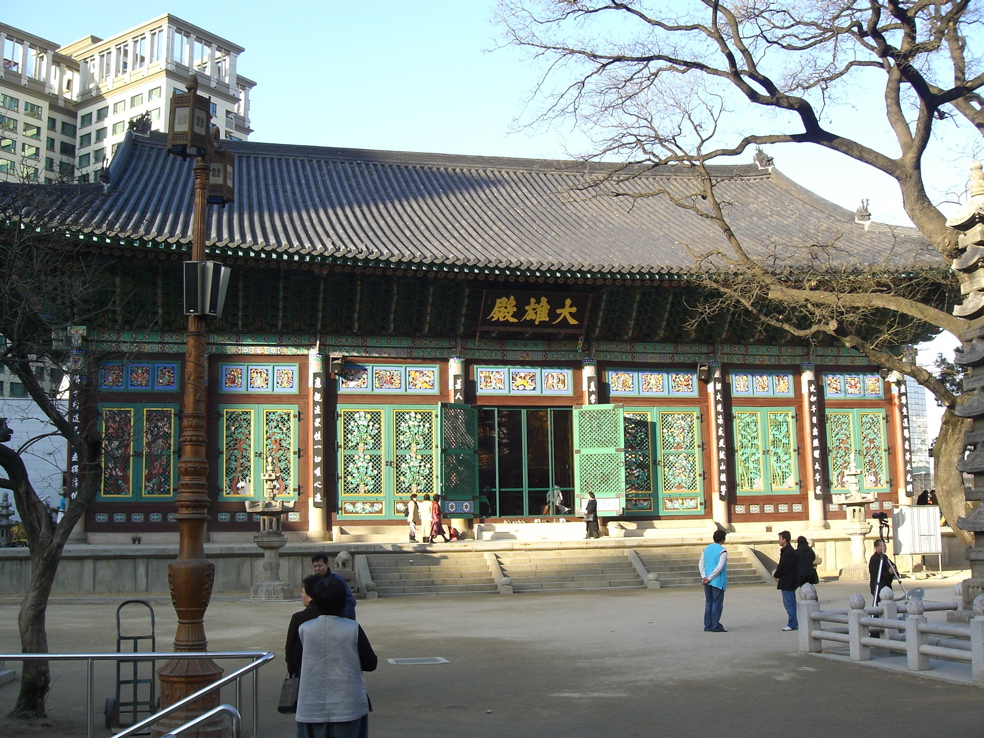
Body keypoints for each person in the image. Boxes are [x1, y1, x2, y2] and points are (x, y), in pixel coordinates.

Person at [295, 575, 378, 738]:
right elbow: (370, 663)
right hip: (348, 704)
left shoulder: (305, 629)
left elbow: (297, 660)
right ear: (342, 601)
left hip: (311, 703)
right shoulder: (353, 628)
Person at [285, 574, 323, 677]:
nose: (301, 595)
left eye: (303, 592)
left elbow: (290, 649)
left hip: (304, 673)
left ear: (310, 596)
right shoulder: (337, 617)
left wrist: (292, 670)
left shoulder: (299, 618)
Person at [311, 553, 357, 620]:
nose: (317, 569)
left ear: (327, 565)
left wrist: (346, 620)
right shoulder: (313, 582)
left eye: (319, 566)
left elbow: (349, 601)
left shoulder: (337, 580)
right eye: (315, 566)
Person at [699, 529, 728, 632]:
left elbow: (701, 563)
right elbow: (719, 567)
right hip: (717, 581)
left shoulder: (706, 549)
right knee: (717, 603)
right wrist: (710, 577)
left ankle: (708, 625)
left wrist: (704, 577)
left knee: (709, 602)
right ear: (723, 539)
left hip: (707, 580)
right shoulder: (722, 551)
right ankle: (715, 625)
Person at [773, 530, 798, 631]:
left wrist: (777, 574)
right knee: (789, 602)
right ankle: (794, 622)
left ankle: (792, 623)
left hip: (788, 580)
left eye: (780, 538)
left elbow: (784, 566)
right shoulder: (786, 551)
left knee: (789, 602)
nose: (778, 540)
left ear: (785, 539)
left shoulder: (789, 552)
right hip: (787, 580)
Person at [869, 538, 896, 605]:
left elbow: (892, 565)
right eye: (882, 546)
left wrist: (893, 569)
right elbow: (877, 573)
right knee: (878, 604)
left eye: (885, 546)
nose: (884, 547)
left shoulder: (885, 557)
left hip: (886, 584)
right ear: (876, 548)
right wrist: (889, 572)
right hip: (878, 585)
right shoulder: (874, 559)